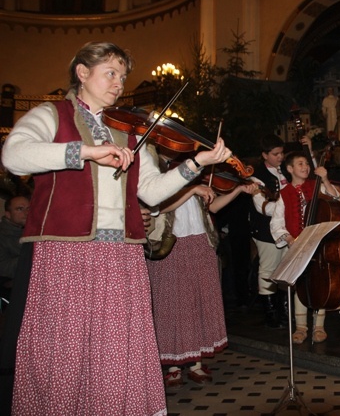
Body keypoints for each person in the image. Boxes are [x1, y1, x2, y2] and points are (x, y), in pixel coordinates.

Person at [1, 41, 232, 415]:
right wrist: (84, 152)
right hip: (66, 250)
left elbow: (153, 192)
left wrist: (197, 163)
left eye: (122, 77)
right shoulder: (52, 113)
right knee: (66, 344)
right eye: (111, 73)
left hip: (121, 253)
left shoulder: (127, 131)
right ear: (82, 72)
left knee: (118, 344)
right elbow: (13, 154)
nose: (119, 84)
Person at [146, 147, 258, 388]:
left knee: (197, 304)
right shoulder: (161, 175)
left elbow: (214, 207)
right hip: (172, 246)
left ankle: (195, 362)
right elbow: (159, 207)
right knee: (172, 305)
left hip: (200, 244)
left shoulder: (197, 178)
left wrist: (238, 189)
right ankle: (173, 365)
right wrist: (191, 189)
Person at [270, 151, 340, 344]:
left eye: (307, 164)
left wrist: (324, 180)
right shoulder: (284, 194)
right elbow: (276, 224)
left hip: (318, 244)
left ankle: (319, 326)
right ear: (290, 169)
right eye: (300, 164)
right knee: (300, 286)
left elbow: (336, 199)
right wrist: (289, 238)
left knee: (320, 283)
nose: (306, 167)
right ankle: (301, 327)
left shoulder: (315, 186)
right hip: (297, 246)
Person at [250, 134, 289, 328]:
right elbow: (261, 207)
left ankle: (283, 309)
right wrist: (287, 205)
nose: (280, 157)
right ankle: (270, 312)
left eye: (282, 153)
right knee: (268, 269)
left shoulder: (286, 171)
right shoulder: (257, 176)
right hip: (266, 231)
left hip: (286, 230)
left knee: (285, 268)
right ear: (265, 155)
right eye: (275, 154)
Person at [0, 195, 29, 297]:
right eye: (20, 209)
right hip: (12, 289)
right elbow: (3, 268)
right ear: (8, 214)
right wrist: (31, 254)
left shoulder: (35, 231)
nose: (26, 213)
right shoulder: (3, 235)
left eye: (29, 208)